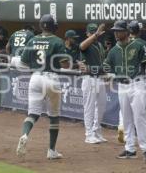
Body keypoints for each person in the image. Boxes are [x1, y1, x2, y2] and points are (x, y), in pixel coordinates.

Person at [16, 14, 70, 159]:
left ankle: (24, 135)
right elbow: (65, 64)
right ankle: (51, 151)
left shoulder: (32, 40)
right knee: (54, 116)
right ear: (53, 27)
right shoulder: (57, 41)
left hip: (35, 77)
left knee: (32, 114)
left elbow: (23, 63)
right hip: (51, 78)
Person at [103, 20, 146, 161]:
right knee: (126, 118)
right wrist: (106, 76)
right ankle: (130, 149)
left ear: (126, 32)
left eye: (118, 30)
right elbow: (106, 67)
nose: (116, 33)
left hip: (137, 85)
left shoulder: (139, 45)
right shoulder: (114, 50)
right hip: (122, 86)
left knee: (139, 117)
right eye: (114, 31)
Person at [79, 23, 107, 144]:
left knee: (101, 106)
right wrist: (95, 35)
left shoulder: (100, 45)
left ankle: (96, 131)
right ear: (87, 33)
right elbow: (81, 46)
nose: (95, 34)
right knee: (89, 108)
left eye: (95, 32)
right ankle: (88, 134)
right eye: (91, 32)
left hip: (99, 78)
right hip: (89, 79)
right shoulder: (86, 44)